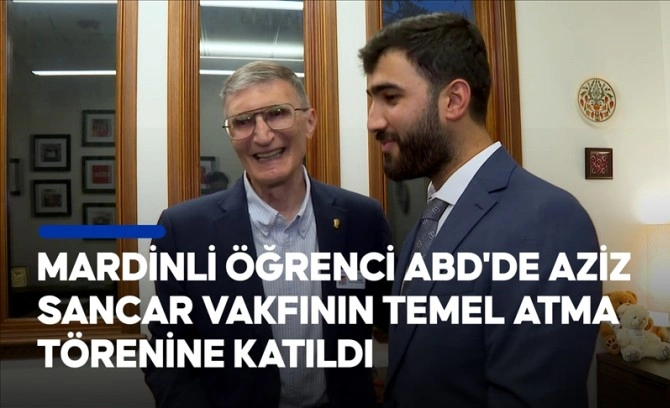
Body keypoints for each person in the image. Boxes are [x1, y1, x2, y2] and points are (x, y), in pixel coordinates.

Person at [359, 12, 601, 408]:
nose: (372, 120)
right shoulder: (431, 219)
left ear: (454, 100)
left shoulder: (547, 222)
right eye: (371, 99)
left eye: (390, 97)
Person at [144, 61, 392, 408]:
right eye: (243, 121)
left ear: (310, 121)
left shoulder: (362, 219)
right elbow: (168, 355)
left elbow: (398, 321)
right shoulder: (183, 231)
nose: (262, 136)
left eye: (277, 113)